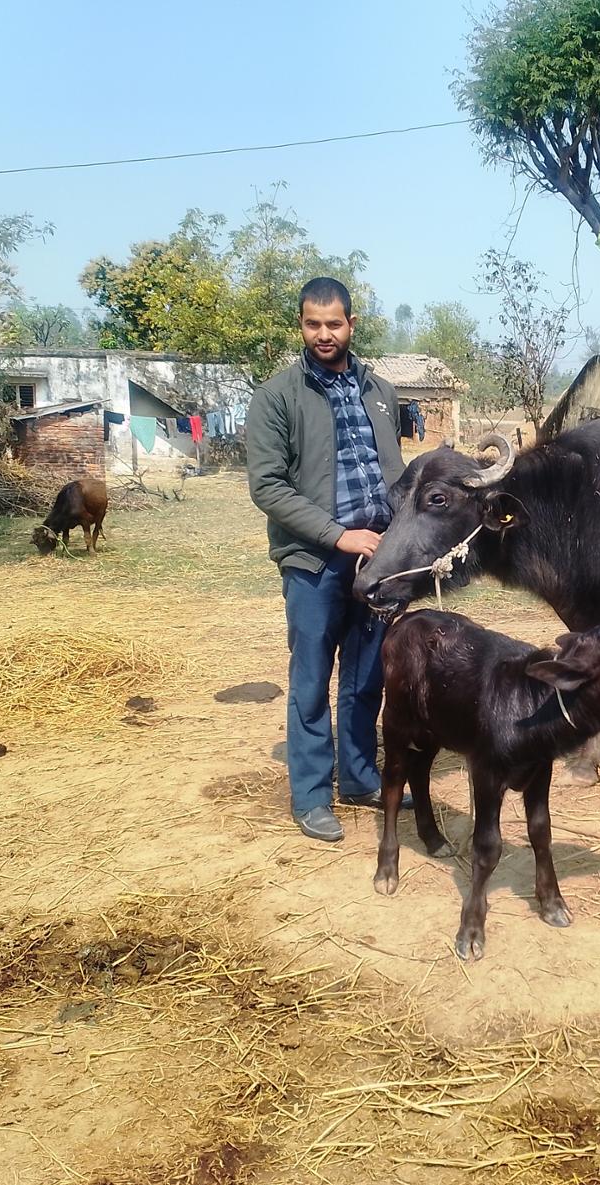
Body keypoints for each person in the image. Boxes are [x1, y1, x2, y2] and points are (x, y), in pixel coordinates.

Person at [247, 278, 407, 842]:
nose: (323, 334)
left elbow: (394, 475)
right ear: (301, 325)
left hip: (377, 561)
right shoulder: (278, 396)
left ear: (351, 324)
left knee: (367, 678)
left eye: (333, 324)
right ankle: (312, 795)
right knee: (312, 681)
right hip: (314, 563)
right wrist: (339, 536)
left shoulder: (379, 391)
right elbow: (267, 486)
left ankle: (360, 778)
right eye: (313, 324)